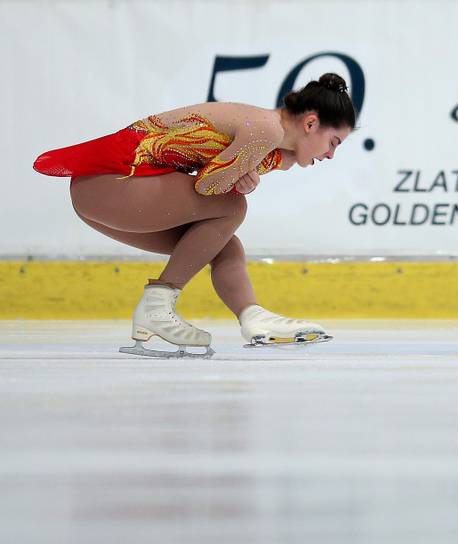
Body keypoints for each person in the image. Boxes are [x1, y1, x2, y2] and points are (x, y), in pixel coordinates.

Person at [32, 72, 356, 358]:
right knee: (232, 207)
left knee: (224, 243)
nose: (330, 154)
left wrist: (244, 176)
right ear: (311, 123)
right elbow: (209, 186)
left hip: (100, 192)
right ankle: (156, 306)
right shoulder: (266, 130)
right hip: (111, 181)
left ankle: (252, 316)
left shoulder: (270, 140)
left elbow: (217, 181)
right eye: (333, 142)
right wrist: (240, 182)